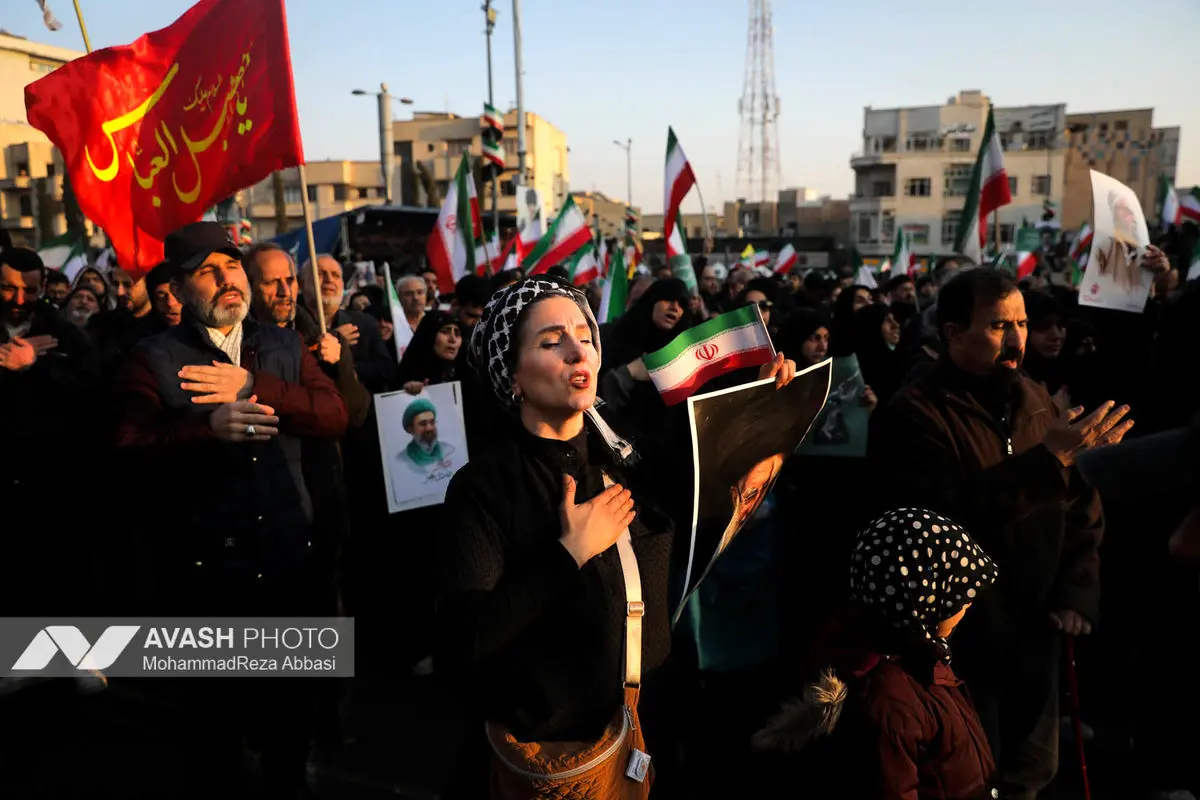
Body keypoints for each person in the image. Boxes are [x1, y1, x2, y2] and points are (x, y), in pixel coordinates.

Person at [436, 275, 798, 798]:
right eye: (550, 341)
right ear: (511, 376)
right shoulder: (483, 487)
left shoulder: (626, 452)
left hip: (650, 731)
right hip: (559, 759)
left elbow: (704, 516)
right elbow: (461, 645)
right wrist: (569, 553)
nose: (575, 351)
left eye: (584, 335)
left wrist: (761, 408)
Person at [869, 268, 1129, 799]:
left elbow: (1080, 505)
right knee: (966, 775)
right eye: (997, 326)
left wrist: (1076, 592)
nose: (1016, 340)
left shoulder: (1036, 400)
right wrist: (1046, 460)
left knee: (1030, 770)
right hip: (962, 637)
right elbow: (940, 517)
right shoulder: (914, 413)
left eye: (1022, 323)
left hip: (1037, 625)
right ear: (952, 333)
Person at [110, 222, 348, 798]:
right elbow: (125, 452)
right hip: (209, 581)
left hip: (292, 570)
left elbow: (334, 416)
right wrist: (203, 430)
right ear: (181, 286)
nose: (227, 281)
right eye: (208, 271)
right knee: (217, 732)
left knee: (290, 728)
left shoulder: (286, 348)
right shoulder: (152, 359)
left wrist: (253, 385)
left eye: (232, 267)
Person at [754, 508, 999, 799]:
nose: (968, 605)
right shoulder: (889, 698)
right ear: (924, 595)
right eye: (960, 594)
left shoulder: (923, 661)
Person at [398, 397, 456, 475]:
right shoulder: (402, 461)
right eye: (422, 424)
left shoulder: (449, 449)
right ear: (410, 429)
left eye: (432, 422)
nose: (429, 428)